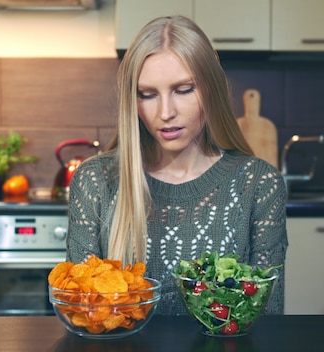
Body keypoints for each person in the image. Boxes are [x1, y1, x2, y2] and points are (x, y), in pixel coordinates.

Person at [66, 15, 288, 315]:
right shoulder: (96, 182)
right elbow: (82, 314)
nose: (166, 112)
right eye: (147, 94)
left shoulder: (258, 184)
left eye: (183, 90)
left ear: (211, 89)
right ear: (133, 101)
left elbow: (266, 317)